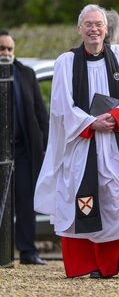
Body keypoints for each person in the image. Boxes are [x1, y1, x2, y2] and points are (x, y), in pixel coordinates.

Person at [34, 4, 119, 279]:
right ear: (79, 29)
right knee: (89, 199)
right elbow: (62, 105)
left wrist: (116, 116)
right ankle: (95, 262)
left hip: (118, 141)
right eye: (88, 24)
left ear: (106, 28)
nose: (94, 29)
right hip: (85, 144)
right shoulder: (66, 62)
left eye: (98, 24)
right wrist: (90, 123)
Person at [0, 29, 49, 265]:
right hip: (0, 152)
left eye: (9, 49)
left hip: (23, 151)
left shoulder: (26, 74)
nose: (6, 53)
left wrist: (47, 145)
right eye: (1, 49)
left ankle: (28, 252)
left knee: (26, 202)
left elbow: (40, 113)